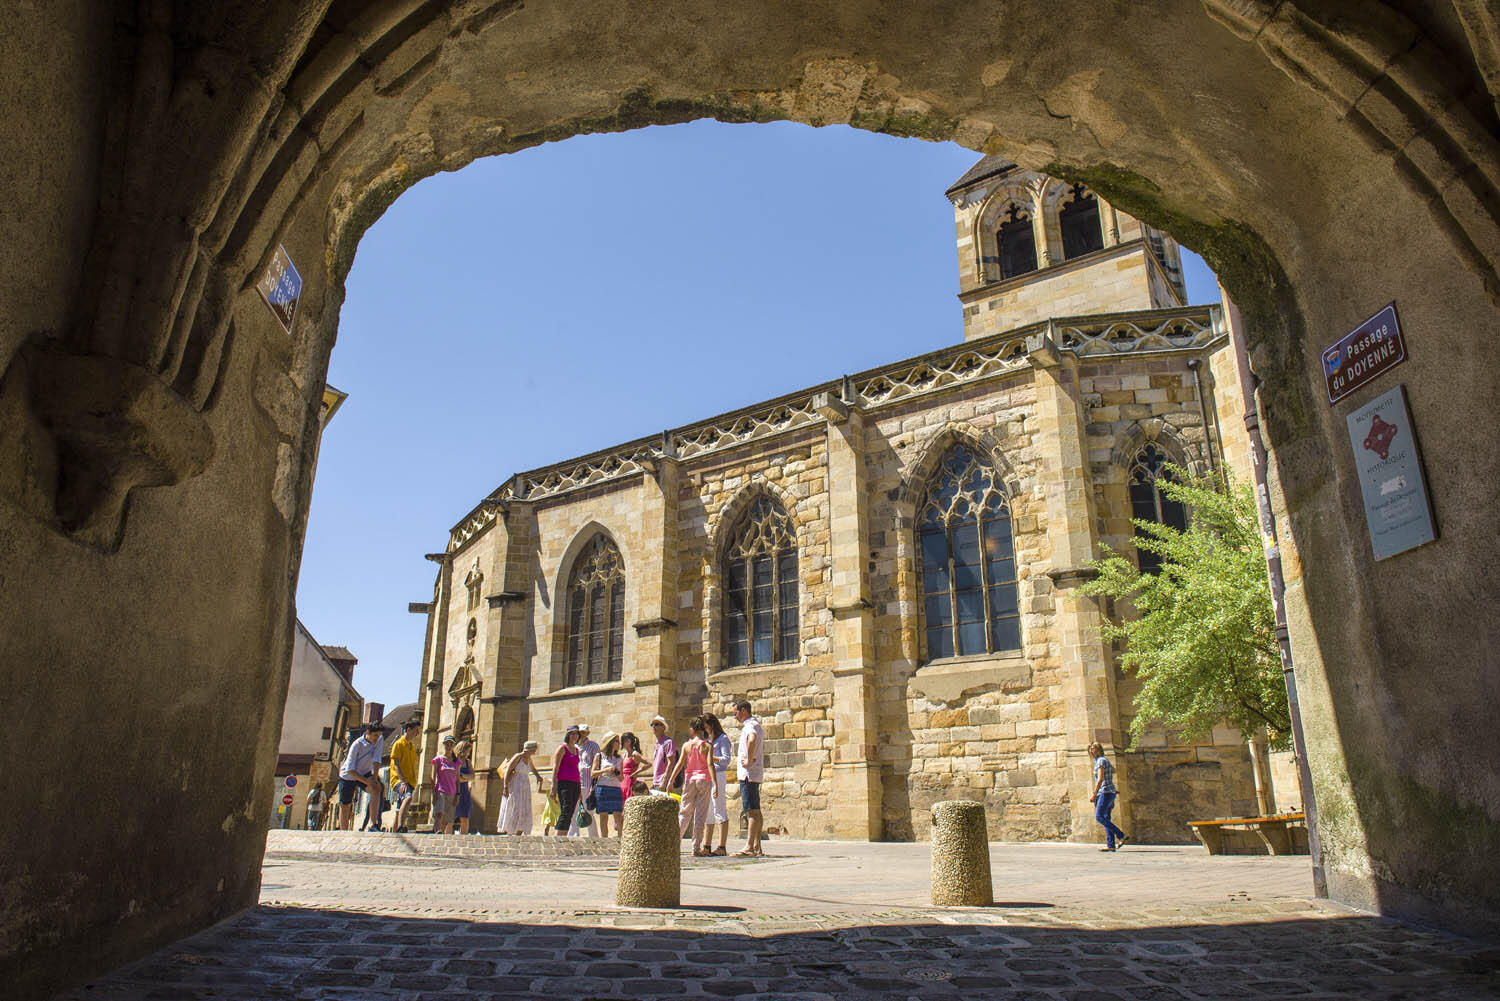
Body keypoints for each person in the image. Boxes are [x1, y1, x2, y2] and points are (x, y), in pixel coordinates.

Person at [665, 716, 715, 856]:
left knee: (684, 812)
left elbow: (680, 764)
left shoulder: (687, 746)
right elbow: (710, 765)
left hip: (689, 780)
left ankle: (675, 844)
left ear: (692, 729)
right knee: (700, 814)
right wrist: (715, 783)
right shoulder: (707, 746)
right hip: (704, 779)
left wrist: (670, 780)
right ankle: (696, 847)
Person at [337, 722, 384, 831]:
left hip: (365, 772)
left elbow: (377, 759)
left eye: (379, 735)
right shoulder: (357, 745)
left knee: (376, 788)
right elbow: (350, 769)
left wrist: (374, 778)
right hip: (348, 776)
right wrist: (367, 782)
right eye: (375, 735)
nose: (377, 738)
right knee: (345, 805)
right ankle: (343, 831)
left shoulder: (379, 739)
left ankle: (373, 824)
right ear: (367, 732)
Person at [733, 700, 765, 857]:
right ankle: (757, 846)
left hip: (748, 774)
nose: (735, 717)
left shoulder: (749, 726)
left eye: (736, 713)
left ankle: (749, 846)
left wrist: (748, 760)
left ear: (743, 710)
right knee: (756, 810)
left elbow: (751, 739)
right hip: (754, 773)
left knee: (750, 811)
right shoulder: (756, 724)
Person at [497, 740, 544, 835]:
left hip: (525, 786)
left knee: (524, 808)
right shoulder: (518, 757)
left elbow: (533, 769)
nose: (535, 751)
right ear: (529, 749)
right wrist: (505, 787)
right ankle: (510, 830)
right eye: (534, 749)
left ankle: (519, 831)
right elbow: (508, 771)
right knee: (516, 806)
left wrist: (538, 777)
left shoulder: (529, 759)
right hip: (516, 785)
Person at [1088, 741, 1128, 852]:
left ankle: (1121, 835)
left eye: (1093, 749)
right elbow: (1113, 770)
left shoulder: (1100, 761)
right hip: (1110, 791)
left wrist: (1094, 794)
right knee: (1106, 817)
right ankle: (1111, 844)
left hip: (1104, 792)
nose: (1091, 751)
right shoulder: (1104, 760)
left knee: (1099, 816)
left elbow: (1100, 778)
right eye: (1090, 749)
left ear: (1099, 750)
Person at [704, 712, 733, 856]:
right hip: (707, 776)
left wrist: (710, 756)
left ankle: (722, 846)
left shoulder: (723, 739)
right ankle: (707, 845)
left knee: (719, 809)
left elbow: (726, 760)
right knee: (708, 810)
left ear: (711, 725)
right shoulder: (707, 739)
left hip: (718, 774)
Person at [550, 725, 583, 836]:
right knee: (566, 810)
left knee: (571, 812)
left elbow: (576, 768)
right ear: (568, 735)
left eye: (576, 734)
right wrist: (553, 786)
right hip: (564, 783)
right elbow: (555, 768)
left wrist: (579, 788)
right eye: (572, 734)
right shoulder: (562, 748)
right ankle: (558, 836)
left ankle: (564, 836)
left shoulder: (577, 750)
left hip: (575, 783)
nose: (575, 736)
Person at [389, 719, 421, 832]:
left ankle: (394, 835)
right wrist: (403, 782)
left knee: (399, 810)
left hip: (410, 781)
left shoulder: (412, 747)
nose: (417, 733)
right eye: (416, 730)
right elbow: (396, 764)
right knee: (408, 798)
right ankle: (401, 827)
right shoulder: (398, 744)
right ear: (408, 729)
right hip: (400, 780)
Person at [591, 732, 625, 837]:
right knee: (603, 817)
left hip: (615, 789)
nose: (619, 744)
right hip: (602, 788)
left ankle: (620, 839)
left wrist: (616, 772)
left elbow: (621, 778)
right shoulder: (599, 756)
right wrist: (606, 770)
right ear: (610, 742)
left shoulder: (619, 758)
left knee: (618, 817)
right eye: (616, 741)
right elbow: (593, 774)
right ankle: (604, 840)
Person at [570, 723, 601, 837]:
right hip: (574, 781)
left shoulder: (593, 746)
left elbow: (597, 764)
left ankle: (593, 836)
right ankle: (573, 835)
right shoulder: (574, 747)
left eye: (584, 733)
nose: (582, 735)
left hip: (587, 783)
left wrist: (594, 785)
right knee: (573, 810)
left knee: (588, 810)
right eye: (580, 732)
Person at [430, 735, 462, 834]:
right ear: (444, 745)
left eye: (451, 744)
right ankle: (438, 831)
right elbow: (432, 777)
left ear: (453, 746)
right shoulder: (438, 760)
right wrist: (433, 793)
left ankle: (440, 834)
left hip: (452, 792)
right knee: (439, 813)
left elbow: (458, 780)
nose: (449, 746)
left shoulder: (457, 762)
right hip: (440, 791)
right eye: (447, 744)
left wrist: (458, 795)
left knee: (447, 819)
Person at [618, 731, 646, 813]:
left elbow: (649, 764)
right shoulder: (624, 755)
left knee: (628, 807)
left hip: (630, 782)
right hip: (622, 781)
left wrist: (636, 772)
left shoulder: (635, 754)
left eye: (622, 740)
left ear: (628, 741)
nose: (620, 743)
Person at [649, 715, 677, 791]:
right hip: (656, 783)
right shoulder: (657, 744)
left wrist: (664, 782)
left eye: (656, 724)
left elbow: (671, 763)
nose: (654, 727)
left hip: (664, 783)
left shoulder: (668, 742)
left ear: (663, 727)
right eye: (652, 724)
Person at [452, 739, 475, 835]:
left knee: (465, 817)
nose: (469, 753)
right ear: (463, 750)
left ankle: (463, 838)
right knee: (450, 817)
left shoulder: (468, 762)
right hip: (454, 790)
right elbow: (455, 777)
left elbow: (473, 776)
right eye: (468, 751)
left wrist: (463, 776)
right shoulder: (454, 761)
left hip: (465, 791)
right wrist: (465, 777)